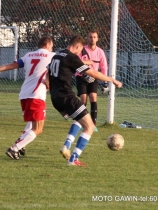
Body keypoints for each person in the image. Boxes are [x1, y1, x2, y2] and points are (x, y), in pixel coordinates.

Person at [46, 36, 122, 166]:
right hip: (67, 97)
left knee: (80, 119)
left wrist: (48, 83)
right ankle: (73, 159)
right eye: (80, 50)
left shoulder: (57, 55)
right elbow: (93, 73)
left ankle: (67, 145)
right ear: (77, 47)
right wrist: (112, 80)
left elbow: (47, 71)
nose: (79, 53)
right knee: (90, 126)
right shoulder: (71, 57)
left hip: (55, 98)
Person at [0, 36, 55, 160]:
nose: (52, 48)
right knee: (38, 129)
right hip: (36, 95)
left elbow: (11, 65)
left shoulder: (28, 55)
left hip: (24, 94)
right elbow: (69, 62)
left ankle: (22, 144)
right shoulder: (52, 56)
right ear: (47, 45)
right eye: (52, 46)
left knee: (32, 122)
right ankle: (14, 148)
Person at [76, 30, 108, 131]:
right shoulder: (82, 50)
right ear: (87, 38)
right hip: (81, 77)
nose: (92, 39)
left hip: (93, 77)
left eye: (94, 37)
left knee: (93, 97)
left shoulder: (100, 52)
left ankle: (93, 124)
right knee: (83, 99)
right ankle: (81, 122)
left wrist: (105, 82)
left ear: (97, 39)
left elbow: (104, 67)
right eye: (90, 37)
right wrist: (84, 74)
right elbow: (76, 63)